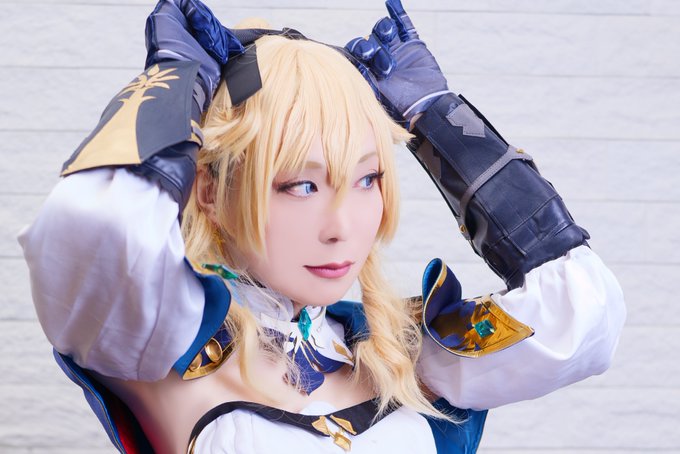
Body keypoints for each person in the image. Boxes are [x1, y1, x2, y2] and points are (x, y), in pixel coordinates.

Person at [18, 0, 625, 453]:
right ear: (208, 191)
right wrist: (176, 86)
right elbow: (90, 231)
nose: (342, 227)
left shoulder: (398, 354)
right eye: (301, 186)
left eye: (367, 179)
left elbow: (582, 314)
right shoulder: (166, 346)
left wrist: (440, 123)